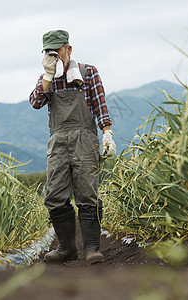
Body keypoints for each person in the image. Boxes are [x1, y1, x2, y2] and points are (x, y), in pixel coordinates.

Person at [29, 29, 116, 265]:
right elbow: (36, 102)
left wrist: (107, 132)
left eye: (57, 51)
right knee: (55, 195)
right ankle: (67, 248)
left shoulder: (88, 73)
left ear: (68, 49)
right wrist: (47, 76)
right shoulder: (47, 78)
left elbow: (100, 105)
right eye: (49, 52)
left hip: (85, 140)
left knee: (87, 193)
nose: (54, 56)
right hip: (58, 142)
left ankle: (91, 248)